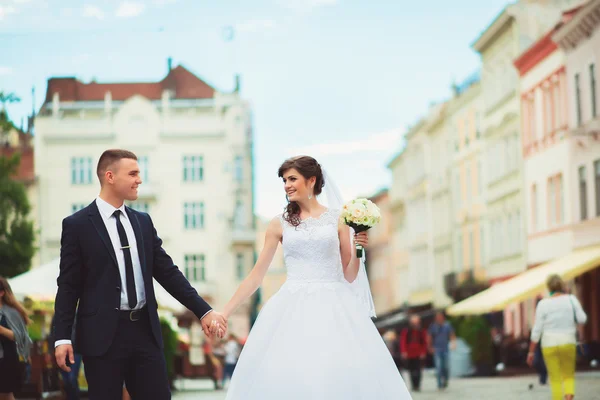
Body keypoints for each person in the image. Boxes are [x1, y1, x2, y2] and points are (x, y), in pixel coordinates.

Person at [215, 156, 412, 399]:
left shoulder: (338, 219)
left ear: (311, 180)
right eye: (284, 180)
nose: (287, 185)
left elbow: (349, 275)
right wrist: (225, 312)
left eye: (292, 178)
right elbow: (256, 276)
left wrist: (359, 251)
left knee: (335, 374)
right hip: (291, 304)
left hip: (335, 304)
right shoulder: (278, 224)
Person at [53, 149, 226, 400]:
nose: (139, 180)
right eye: (133, 173)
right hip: (101, 337)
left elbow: (168, 272)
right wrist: (61, 337)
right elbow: (68, 286)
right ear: (110, 176)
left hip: (144, 331)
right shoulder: (77, 225)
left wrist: (204, 311)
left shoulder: (142, 222)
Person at [527, 274, 587, 400]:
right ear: (562, 285)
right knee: (568, 375)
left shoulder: (543, 304)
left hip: (549, 344)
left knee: (555, 378)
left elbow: (537, 330)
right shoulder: (571, 299)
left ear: (549, 287)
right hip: (568, 341)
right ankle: (569, 398)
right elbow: (582, 318)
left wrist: (531, 352)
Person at [0, 277, 33, 400]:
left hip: (6, 358)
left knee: (5, 395)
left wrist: (2, 330)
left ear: (2, 293)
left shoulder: (12, 312)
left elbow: (23, 337)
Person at [50, 313, 82, 399]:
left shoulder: (80, 314)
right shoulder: (59, 314)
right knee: (66, 379)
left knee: (72, 378)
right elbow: (52, 332)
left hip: (76, 350)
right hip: (62, 351)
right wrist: (52, 350)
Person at [428, 311, 456, 390]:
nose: (439, 318)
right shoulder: (433, 326)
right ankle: (439, 383)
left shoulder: (447, 325)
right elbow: (429, 336)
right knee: (439, 367)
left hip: (445, 349)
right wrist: (430, 347)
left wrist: (453, 343)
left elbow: (451, 334)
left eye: (440, 317)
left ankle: (445, 380)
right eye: (437, 317)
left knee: (446, 367)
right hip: (437, 349)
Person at [400, 315, 427, 392]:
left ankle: (417, 385)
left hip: (418, 354)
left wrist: (423, 352)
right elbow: (403, 342)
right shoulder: (406, 331)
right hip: (409, 354)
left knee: (418, 370)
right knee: (411, 370)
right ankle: (413, 385)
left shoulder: (421, 331)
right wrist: (404, 351)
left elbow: (424, 342)